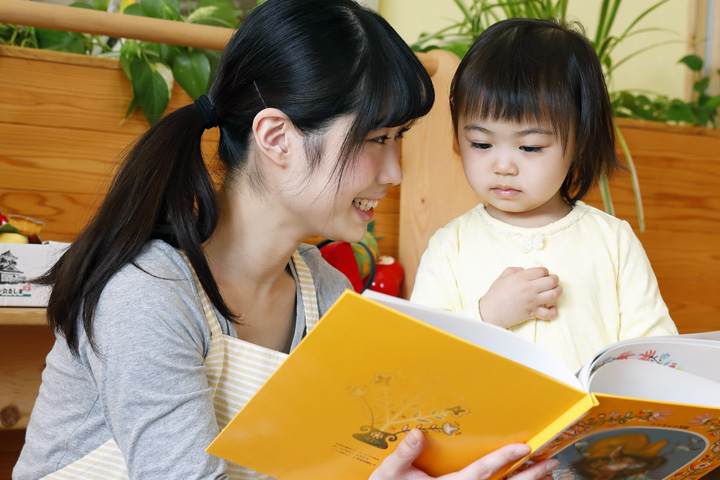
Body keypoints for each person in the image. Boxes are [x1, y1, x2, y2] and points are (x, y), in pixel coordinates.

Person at [13, 2, 559, 479]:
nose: (393, 172)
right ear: (277, 137)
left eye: (399, 141)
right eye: (376, 139)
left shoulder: (327, 290)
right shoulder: (149, 292)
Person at [410, 18, 677, 373]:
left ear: (580, 141)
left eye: (531, 147)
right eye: (481, 143)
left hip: (588, 427)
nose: (503, 165)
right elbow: (420, 356)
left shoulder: (612, 242)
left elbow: (657, 355)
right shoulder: (450, 246)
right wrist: (487, 315)